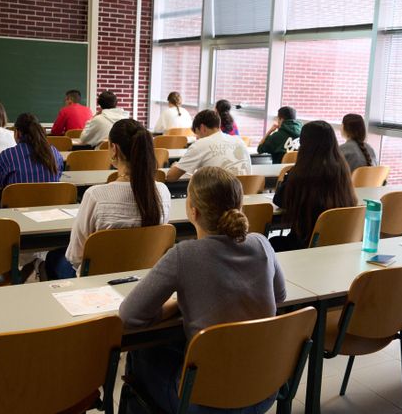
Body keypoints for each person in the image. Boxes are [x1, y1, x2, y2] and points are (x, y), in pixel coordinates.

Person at [119, 166, 286, 414]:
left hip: (204, 403)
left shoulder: (183, 255)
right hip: (263, 390)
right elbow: (280, 296)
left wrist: (178, 305)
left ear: (192, 211)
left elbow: (129, 316)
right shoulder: (262, 244)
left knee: (140, 352)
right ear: (240, 206)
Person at [45, 119, 172, 279]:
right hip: (143, 279)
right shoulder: (162, 191)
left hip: (97, 282)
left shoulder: (96, 196)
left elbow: (75, 256)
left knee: (53, 258)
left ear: (114, 149)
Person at [271, 121, 357, 251]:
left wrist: (289, 175)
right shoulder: (342, 169)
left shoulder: (302, 173)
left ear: (304, 144)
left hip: (305, 244)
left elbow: (279, 200)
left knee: (272, 243)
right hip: (336, 245)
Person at [0, 113, 64, 187]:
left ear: (17, 133)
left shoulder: (9, 155)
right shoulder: (55, 153)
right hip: (49, 200)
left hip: (18, 200)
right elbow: (59, 173)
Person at [165, 109, 252, 181]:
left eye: (197, 134)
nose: (197, 138)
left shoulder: (200, 145)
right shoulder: (239, 141)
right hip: (244, 193)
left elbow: (171, 177)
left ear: (202, 128)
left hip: (218, 194)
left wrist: (175, 166)